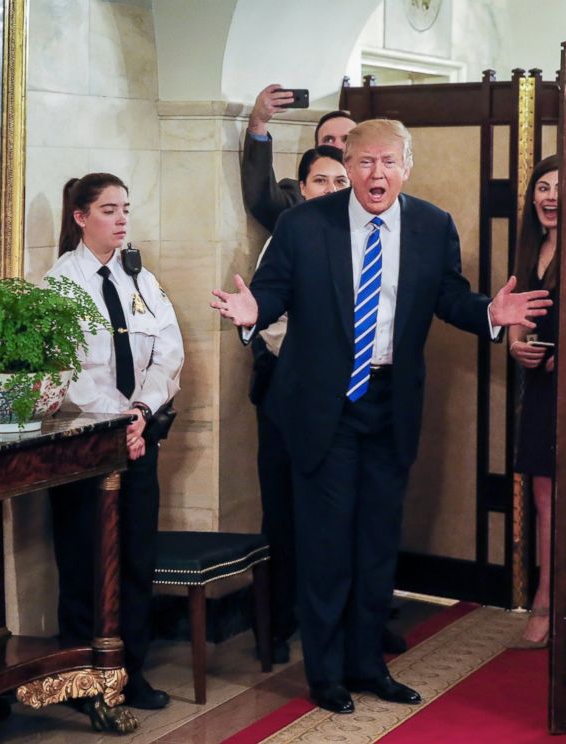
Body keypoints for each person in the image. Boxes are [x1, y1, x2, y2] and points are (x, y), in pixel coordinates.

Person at [212, 119, 552, 715]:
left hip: (390, 404)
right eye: (365, 163)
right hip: (324, 408)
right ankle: (326, 675)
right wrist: (250, 310)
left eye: (388, 163)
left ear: (407, 166)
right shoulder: (303, 224)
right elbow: (273, 292)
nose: (377, 175)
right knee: (327, 547)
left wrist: (490, 313)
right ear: (348, 164)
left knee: (375, 546)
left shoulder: (431, 224)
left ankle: (369, 666)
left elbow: (450, 296)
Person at [46, 173, 183, 710]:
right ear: (81, 217)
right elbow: (71, 371)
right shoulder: (61, 284)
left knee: (134, 558)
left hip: (138, 437)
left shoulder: (141, 279)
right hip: (86, 445)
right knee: (85, 558)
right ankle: (82, 674)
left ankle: (130, 671)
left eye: (125, 208)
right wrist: (115, 420)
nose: (122, 219)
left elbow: (167, 353)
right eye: (108, 209)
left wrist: (142, 412)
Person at [251, 145, 349, 665]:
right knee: (285, 512)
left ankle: (343, 623)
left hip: (347, 398)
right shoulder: (289, 234)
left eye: (340, 181)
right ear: (302, 188)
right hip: (291, 392)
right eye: (320, 181)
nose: (331, 190)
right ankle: (279, 624)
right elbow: (267, 315)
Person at [509, 155, 559, 646]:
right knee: (544, 499)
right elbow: (516, 322)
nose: (549, 196)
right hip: (539, 390)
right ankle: (544, 602)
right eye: (542, 188)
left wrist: (560, 359)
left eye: (559, 188)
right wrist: (517, 346)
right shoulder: (530, 250)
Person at [241, 83, 355, 233]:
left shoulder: (375, 195)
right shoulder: (298, 197)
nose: (338, 147)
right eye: (328, 140)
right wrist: (258, 123)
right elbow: (262, 197)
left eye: (346, 140)